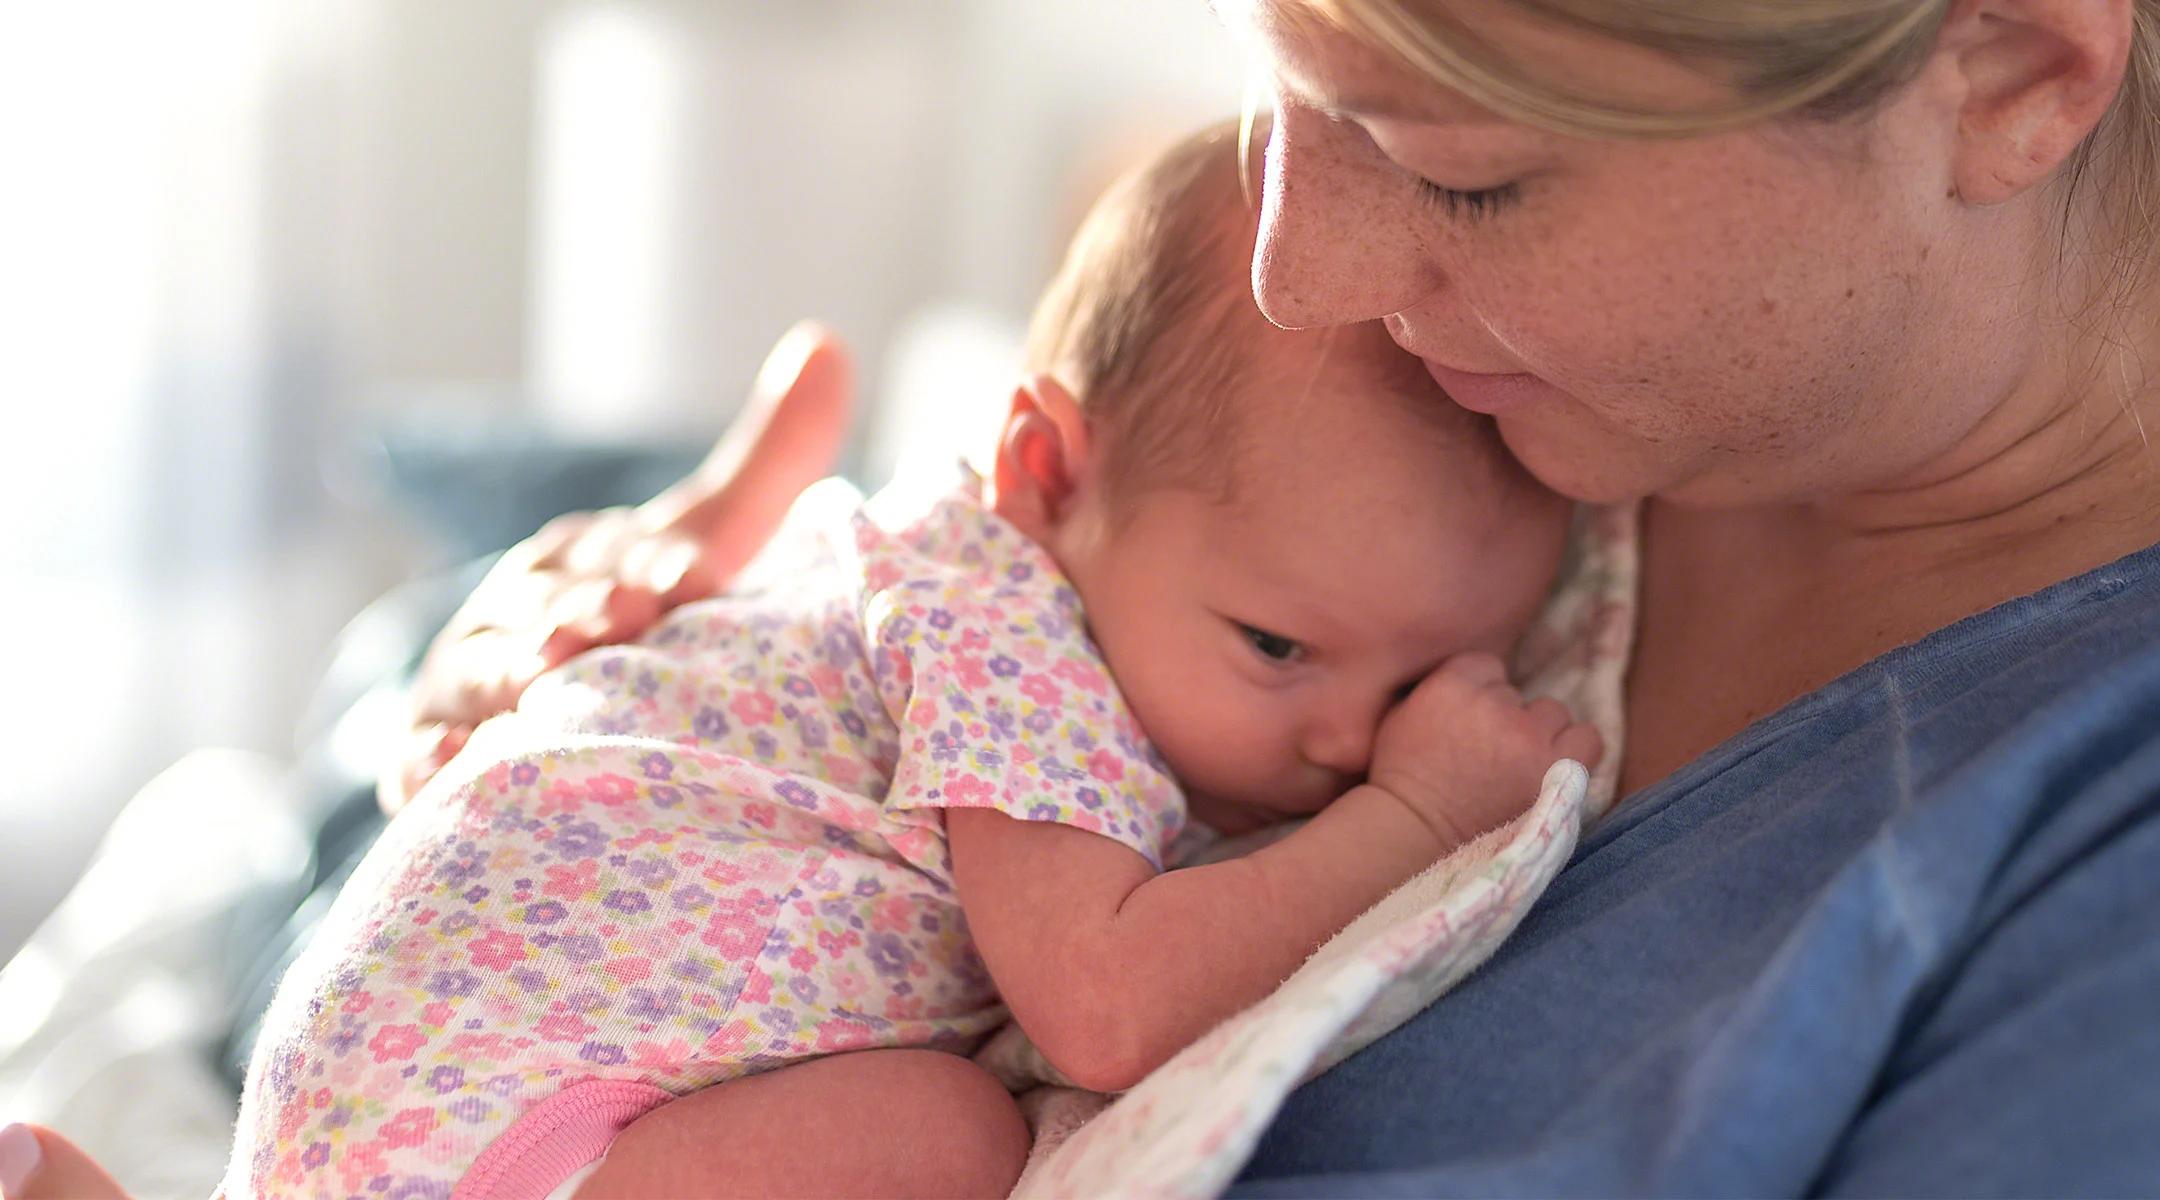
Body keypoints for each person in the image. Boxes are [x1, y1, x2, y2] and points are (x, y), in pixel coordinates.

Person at [382, 0, 2160, 1195]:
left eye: (1466, 171)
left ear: (2010, 69)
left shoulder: (2087, 859)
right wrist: (519, 663)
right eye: (1280, 88)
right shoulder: (1495, 407)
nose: (1298, 272)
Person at [195, 122, 1585, 1200]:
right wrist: (1421, 814)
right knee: (951, 1133)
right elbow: (1108, 1008)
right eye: (1278, 646)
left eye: (1414, 687)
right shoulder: (1008, 634)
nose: (1348, 741)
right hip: (501, 1123)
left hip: (388, 1085)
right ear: (1047, 471)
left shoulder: (952, 567)